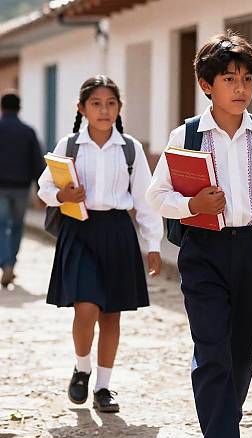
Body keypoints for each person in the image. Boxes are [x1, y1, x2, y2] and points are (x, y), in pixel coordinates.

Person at [146, 32, 252, 438]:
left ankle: (222, 430)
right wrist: (194, 204)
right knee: (211, 347)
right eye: (229, 79)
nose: (240, 87)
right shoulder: (186, 135)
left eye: (247, 78)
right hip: (203, 252)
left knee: (243, 354)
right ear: (206, 84)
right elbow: (157, 196)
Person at [38, 75, 163, 413]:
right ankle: (82, 368)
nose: (104, 110)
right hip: (79, 230)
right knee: (86, 306)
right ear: (82, 108)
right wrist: (62, 195)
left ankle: (104, 387)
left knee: (111, 315)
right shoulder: (69, 145)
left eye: (110, 104)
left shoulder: (130, 148)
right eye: (96, 103)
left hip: (118, 232)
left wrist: (153, 244)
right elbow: (44, 188)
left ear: (119, 108)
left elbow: (145, 199)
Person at [0, 92, 45, 287]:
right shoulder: (28, 132)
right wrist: (41, 190)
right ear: (19, 108)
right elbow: (37, 162)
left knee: (0, 226)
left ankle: (6, 262)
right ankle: (12, 263)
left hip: (0, 188)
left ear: (2, 107)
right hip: (21, 188)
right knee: (17, 226)